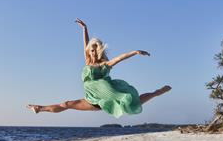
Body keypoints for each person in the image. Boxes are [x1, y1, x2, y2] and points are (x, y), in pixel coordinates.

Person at [26, 19, 171, 117]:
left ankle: (157, 92)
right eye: (91, 50)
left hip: (105, 96)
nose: (93, 52)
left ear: (100, 50)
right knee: (66, 104)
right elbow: (86, 44)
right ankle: (40, 108)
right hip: (91, 100)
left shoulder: (104, 64)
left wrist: (135, 52)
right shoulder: (88, 61)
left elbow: (119, 58)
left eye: (95, 49)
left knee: (134, 100)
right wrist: (85, 29)